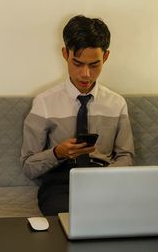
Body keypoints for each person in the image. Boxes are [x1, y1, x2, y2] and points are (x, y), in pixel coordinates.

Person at [20, 15, 135, 215]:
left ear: (105, 57)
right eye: (78, 63)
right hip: (61, 181)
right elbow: (28, 165)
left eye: (94, 65)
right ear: (65, 54)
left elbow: (126, 156)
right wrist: (58, 153)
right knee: (71, 219)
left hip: (105, 179)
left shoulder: (117, 104)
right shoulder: (44, 103)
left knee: (128, 215)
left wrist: (109, 178)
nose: (85, 74)